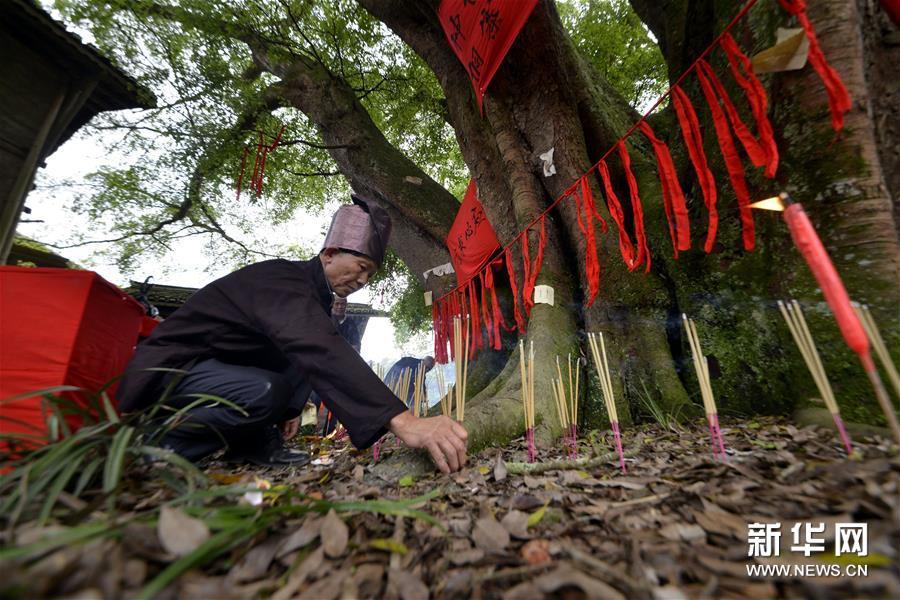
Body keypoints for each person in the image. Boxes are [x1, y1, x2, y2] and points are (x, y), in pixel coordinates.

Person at [117, 195, 468, 472]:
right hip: (171, 372)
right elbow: (319, 348)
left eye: (370, 275)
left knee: (276, 392)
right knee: (265, 391)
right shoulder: (283, 280)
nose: (362, 280)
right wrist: (405, 421)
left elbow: (297, 354)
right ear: (330, 253)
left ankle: (249, 445)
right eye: (361, 267)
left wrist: (290, 409)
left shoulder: (313, 299)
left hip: (213, 374)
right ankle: (158, 443)